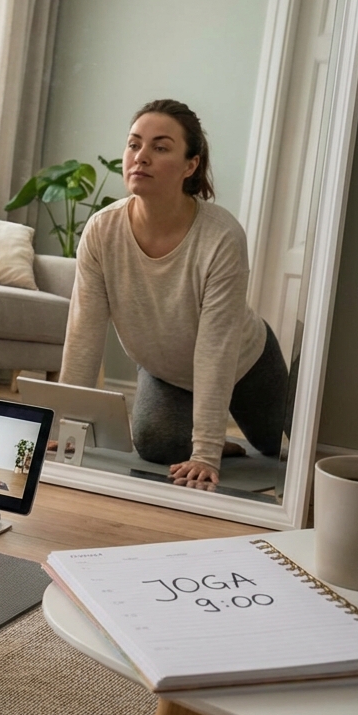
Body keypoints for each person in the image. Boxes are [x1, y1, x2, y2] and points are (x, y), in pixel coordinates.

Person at [59, 99, 288, 487]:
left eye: (160, 147)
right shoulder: (102, 230)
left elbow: (216, 348)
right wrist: (61, 424)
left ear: (190, 165)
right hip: (165, 371)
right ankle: (219, 439)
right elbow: (84, 331)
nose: (141, 157)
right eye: (134, 145)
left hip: (245, 362)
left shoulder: (221, 236)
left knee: (271, 445)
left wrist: (205, 452)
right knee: (154, 444)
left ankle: (227, 430)